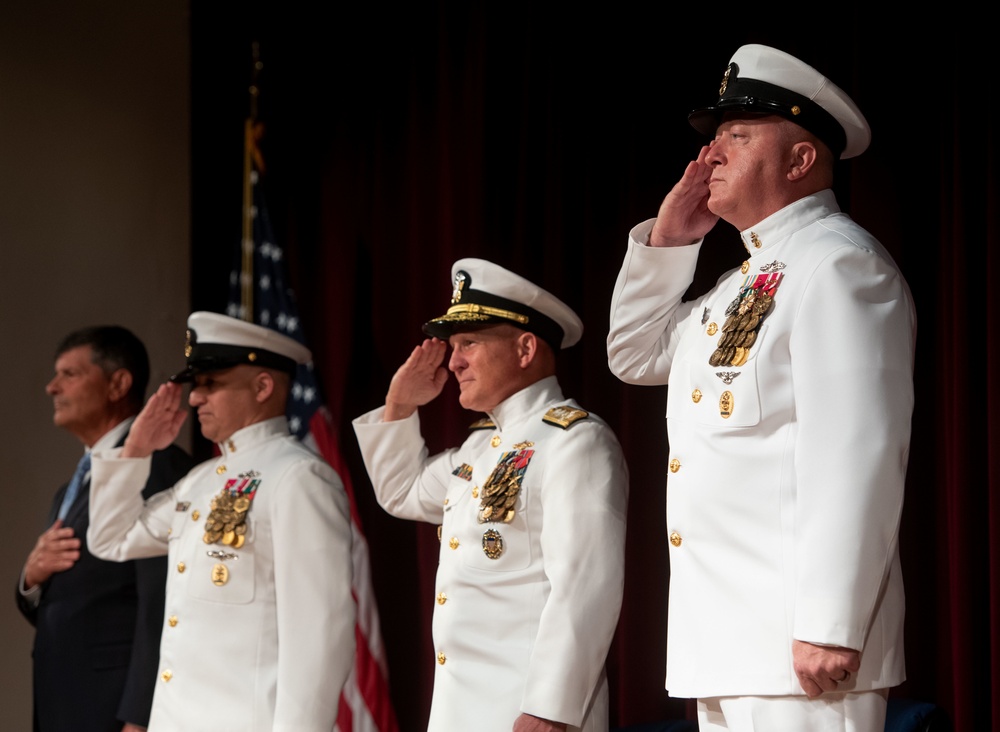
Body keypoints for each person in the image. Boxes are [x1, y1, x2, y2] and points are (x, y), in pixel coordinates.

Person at [607, 44, 916, 731]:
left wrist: (831, 621)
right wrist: (668, 243)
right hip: (726, 646)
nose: (710, 155)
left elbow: (856, 449)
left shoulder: (838, 264)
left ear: (801, 161)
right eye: (713, 139)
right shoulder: (740, 285)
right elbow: (633, 354)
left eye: (737, 137)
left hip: (799, 649)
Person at [353, 258, 629, 732]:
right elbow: (401, 492)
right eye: (454, 346)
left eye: (469, 343)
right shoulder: (480, 446)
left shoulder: (574, 441)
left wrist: (550, 709)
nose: (454, 360)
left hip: (529, 711)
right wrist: (399, 405)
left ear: (525, 348)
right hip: (460, 712)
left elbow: (585, 586)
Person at [85, 311, 355, 731]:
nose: (194, 398)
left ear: (263, 386)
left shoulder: (298, 478)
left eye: (211, 384)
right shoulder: (200, 480)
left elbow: (318, 638)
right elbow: (111, 539)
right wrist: (134, 452)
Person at [16, 325, 194, 732]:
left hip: (114, 711)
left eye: (69, 374)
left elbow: (163, 606)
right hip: (65, 702)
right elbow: (77, 606)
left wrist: (141, 715)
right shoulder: (69, 488)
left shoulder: (159, 467)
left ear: (118, 383)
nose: (51, 388)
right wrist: (31, 578)